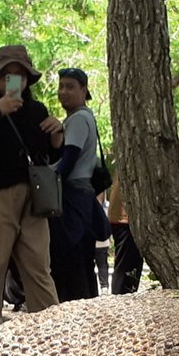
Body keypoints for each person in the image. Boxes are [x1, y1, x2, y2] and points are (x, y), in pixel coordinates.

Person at [0, 44, 63, 326]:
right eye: (7, 76)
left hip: (33, 198)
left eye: (19, 75)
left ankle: (50, 329)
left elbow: (48, 155)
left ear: (28, 79)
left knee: (38, 266)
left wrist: (56, 135)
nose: (13, 81)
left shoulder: (36, 110)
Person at [48, 67, 110, 302]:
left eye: (70, 87)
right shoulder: (84, 118)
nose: (63, 92)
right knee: (80, 258)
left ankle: (75, 308)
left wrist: (48, 182)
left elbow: (69, 159)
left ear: (84, 90)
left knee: (70, 257)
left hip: (73, 195)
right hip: (81, 196)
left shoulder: (78, 119)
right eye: (61, 86)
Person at [107, 181, 142, 294]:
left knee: (130, 264)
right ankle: (120, 297)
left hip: (125, 218)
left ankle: (123, 295)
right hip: (125, 219)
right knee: (126, 265)